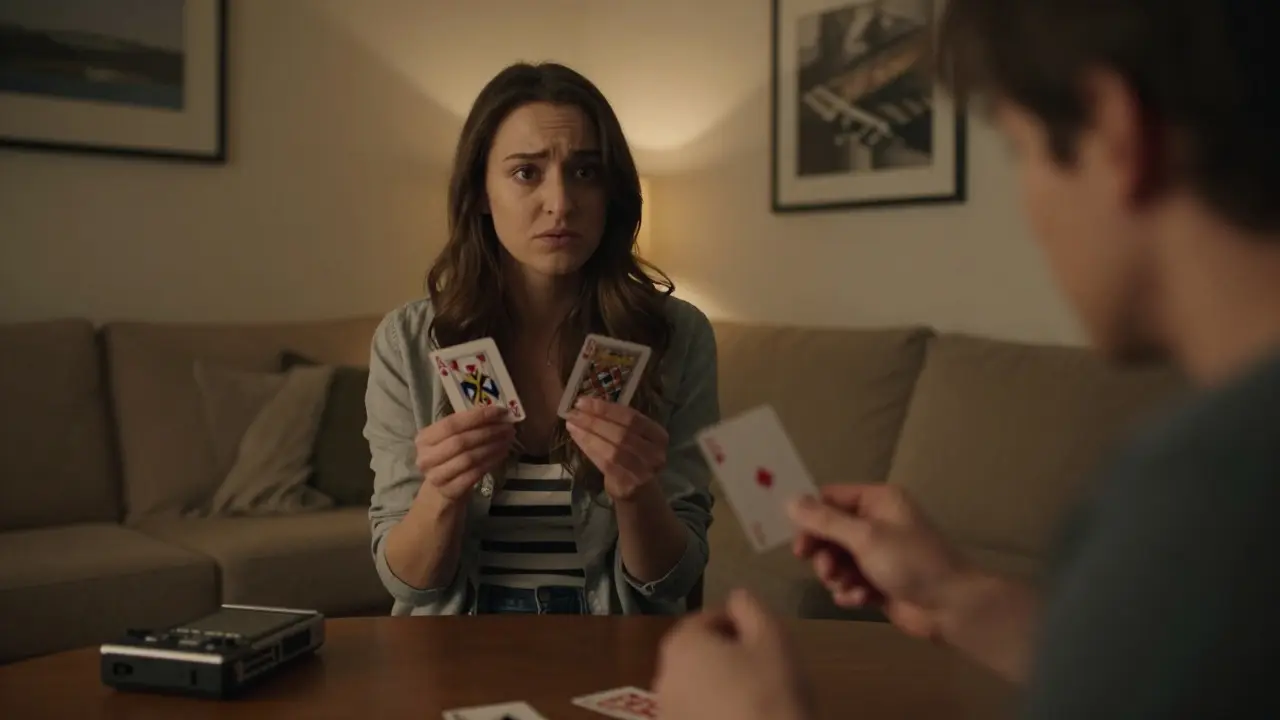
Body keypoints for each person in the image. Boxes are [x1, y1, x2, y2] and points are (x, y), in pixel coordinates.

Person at [654, 0, 1280, 716]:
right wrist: (961, 597)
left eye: (1019, 151)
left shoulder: (1197, 495)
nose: (1027, 208)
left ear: (1114, 132)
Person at [364, 62, 718, 616]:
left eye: (585, 172)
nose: (561, 203)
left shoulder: (679, 335)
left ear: (612, 192)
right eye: (527, 172)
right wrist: (442, 492)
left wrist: (637, 491)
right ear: (481, 191)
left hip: (613, 647)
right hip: (455, 651)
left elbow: (672, 582)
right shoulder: (406, 343)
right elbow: (410, 586)